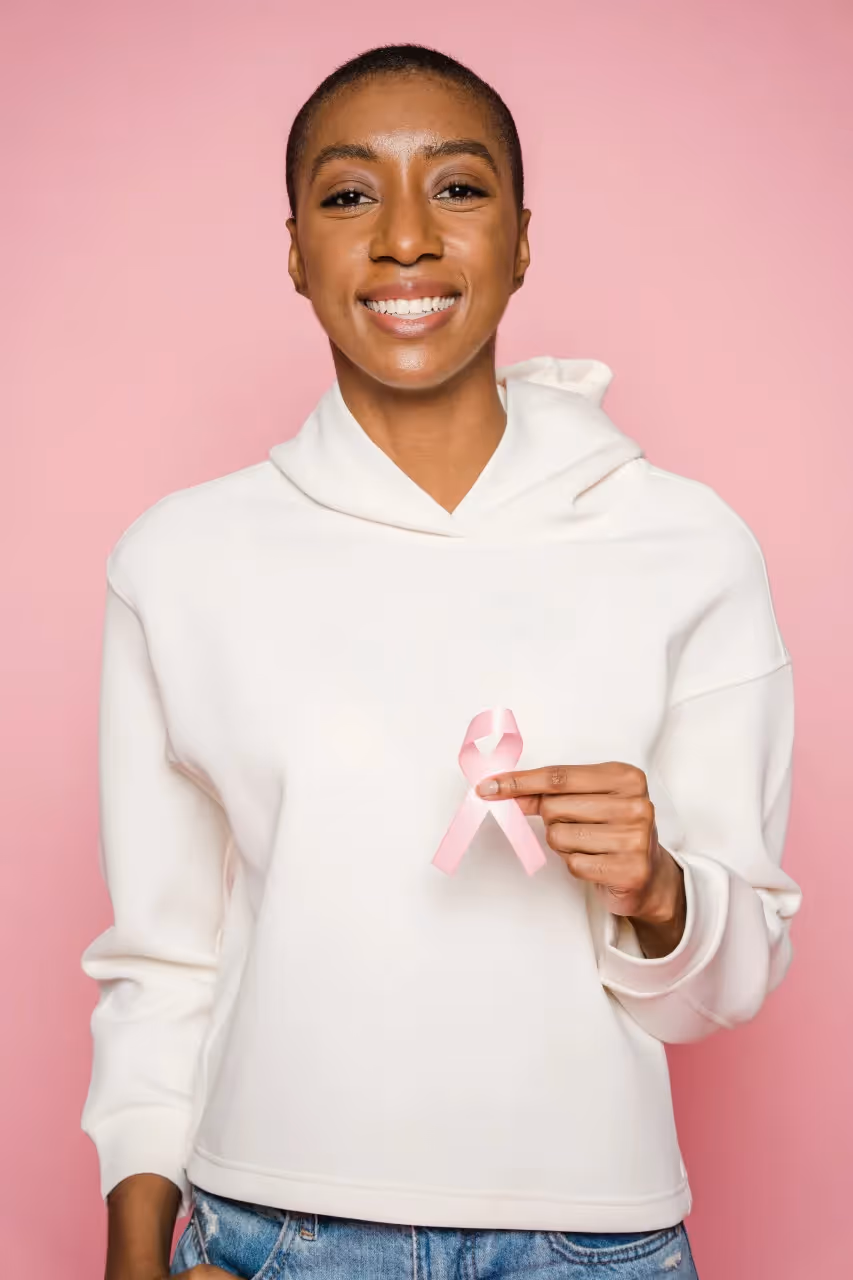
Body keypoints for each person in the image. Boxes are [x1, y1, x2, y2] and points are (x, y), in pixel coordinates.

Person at [81, 44, 801, 1280]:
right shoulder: (181, 557)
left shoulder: (688, 544)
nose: (405, 238)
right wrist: (134, 1256)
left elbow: (720, 990)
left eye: (457, 190)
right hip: (273, 1227)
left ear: (522, 241)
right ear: (296, 250)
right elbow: (161, 959)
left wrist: (662, 889)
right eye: (351, 194)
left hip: (597, 1238)